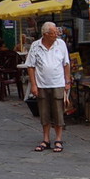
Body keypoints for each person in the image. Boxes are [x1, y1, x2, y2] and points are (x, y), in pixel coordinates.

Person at [24, 21, 71, 153]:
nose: (57, 35)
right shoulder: (35, 46)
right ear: (45, 34)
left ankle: (58, 139)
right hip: (42, 84)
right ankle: (46, 139)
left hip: (58, 83)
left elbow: (66, 63)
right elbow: (31, 67)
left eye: (57, 32)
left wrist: (67, 81)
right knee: (44, 113)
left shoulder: (61, 44)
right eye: (54, 33)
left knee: (58, 112)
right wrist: (33, 85)